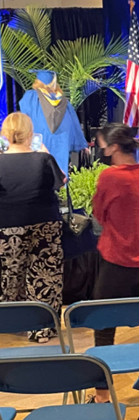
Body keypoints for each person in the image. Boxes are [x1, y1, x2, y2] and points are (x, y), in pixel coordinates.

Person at [90, 123, 139, 403]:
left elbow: (98, 213)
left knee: (103, 327)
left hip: (115, 261)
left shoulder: (110, 177)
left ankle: (102, 395)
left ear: (114, 147)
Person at [0, 112, 65, 343]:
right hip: (44, 224)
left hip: (6, 228)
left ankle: (12, 324)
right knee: (45, 276)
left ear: (5, 135)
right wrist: (45, 153)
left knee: (9, 277)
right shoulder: (43, 159)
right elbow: (61, 182)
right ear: (30, 134)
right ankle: (42, 330)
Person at [19, 70, 87, 175]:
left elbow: (23, 116)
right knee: (60, 170)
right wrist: (81, 143)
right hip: (61, 139)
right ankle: (62, 189)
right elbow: (74, 122)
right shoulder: (63, 101)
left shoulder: (31, 97)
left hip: (39, 139)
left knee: (39, 170)